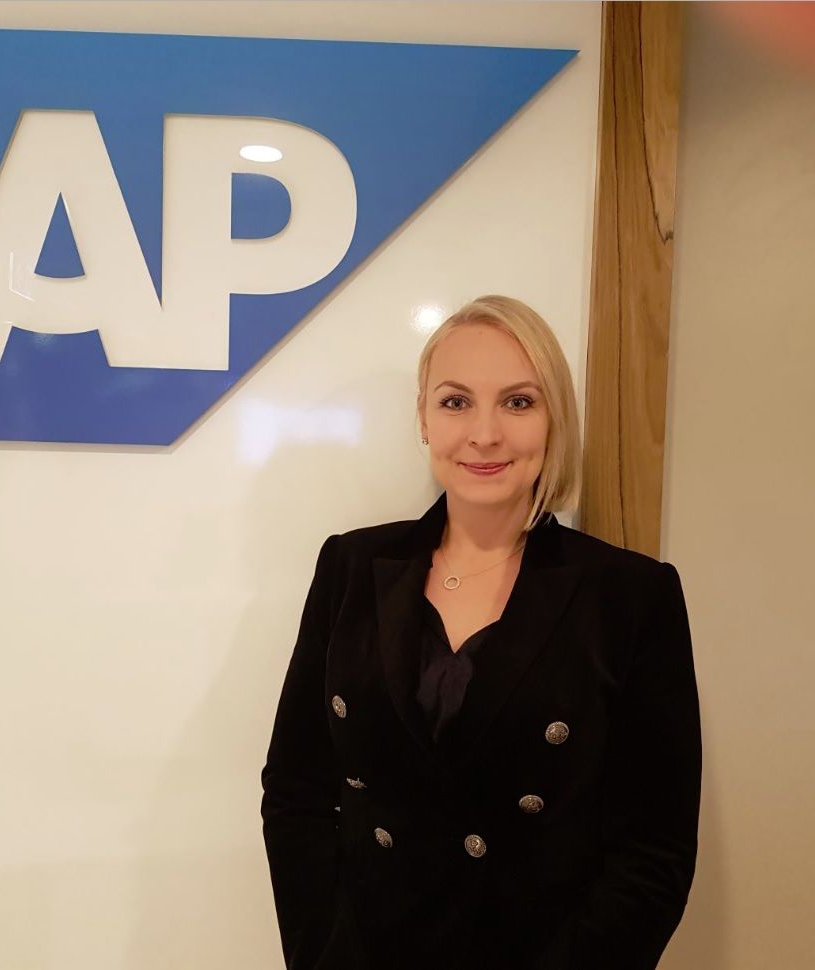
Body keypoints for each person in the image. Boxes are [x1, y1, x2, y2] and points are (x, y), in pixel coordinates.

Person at [260, 295, 701, 970]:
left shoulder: (632, 596)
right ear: (424, 419)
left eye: (519, 402)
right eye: (456, 402)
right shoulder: (350, 566)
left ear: (555, 419)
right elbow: (297, 791)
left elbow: (654, 848)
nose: (485, 434)